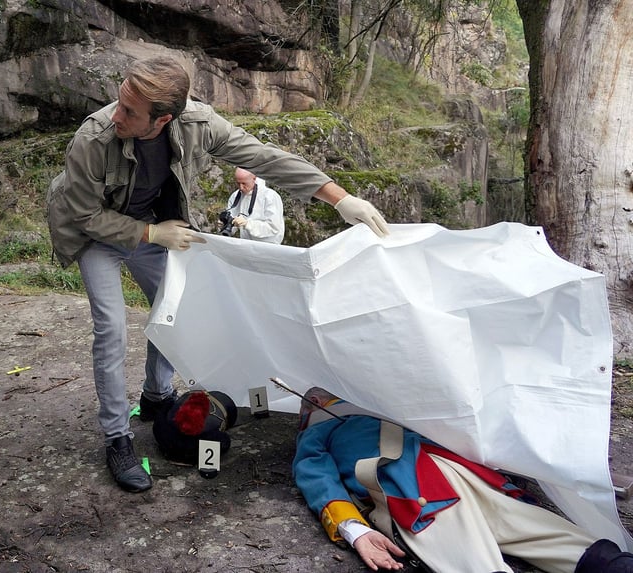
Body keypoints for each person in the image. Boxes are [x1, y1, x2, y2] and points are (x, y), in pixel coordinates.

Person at [46, 56, 390, 494]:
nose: (117, 115)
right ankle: (117, 437)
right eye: (119, 102)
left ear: (163, 119)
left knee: (175, 312)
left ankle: (156, 396)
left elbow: (265, 158)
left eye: (130, 112)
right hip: (95, 233)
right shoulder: (94, 137)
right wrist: (152, 233)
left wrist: (340, 199)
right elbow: (83, 214)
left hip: (152, 224)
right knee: (111, 329)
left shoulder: (199, 124)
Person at [292, 386, 633, 572]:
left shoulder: (346, 419)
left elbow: (314, 473)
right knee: (501, 552)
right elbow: (316, 475)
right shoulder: (338, 423)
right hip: (433, 484)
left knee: (534, 543)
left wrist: (355, 529)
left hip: (436, 483)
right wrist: (357, 531)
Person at [224, 167, 284, 244]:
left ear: (254, 178)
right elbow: (231, 224)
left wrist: (248, 224)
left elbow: (273, 228)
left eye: (244, 183)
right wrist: (225, 224)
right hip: (246, 245)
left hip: (268, 247)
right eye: (238, 183)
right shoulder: (236, 196)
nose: (241, 187)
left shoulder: (270, 196)